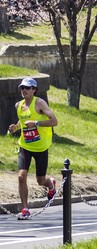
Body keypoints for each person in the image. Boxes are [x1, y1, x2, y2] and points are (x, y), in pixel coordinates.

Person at [8, 78, 58, 220]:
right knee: (21, 176)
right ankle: (25, 209)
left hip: (41, 147)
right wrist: (16, 127)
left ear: (34, 90)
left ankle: (51, 184)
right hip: (25, 146)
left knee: (40, 181)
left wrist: (36, 123)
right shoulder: (19, 105)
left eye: (28, 88)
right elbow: (23, 121)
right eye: (22, 87)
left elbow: (54, 121)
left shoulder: (40, 103)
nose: (24, 90)